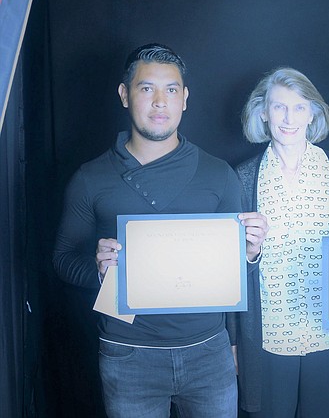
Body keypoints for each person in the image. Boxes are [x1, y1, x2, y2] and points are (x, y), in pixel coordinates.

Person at [52, 43, 268, 418]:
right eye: (146, 88)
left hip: (208, 352)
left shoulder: (218, 174)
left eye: (171, 90)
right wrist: (98, 271)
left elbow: (237, 272)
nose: (159, 102)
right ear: (124, 95)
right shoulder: (90, 178)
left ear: (184, 98)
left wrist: (250, 253)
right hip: (127, 354)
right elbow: (61, 259)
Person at [232, 67, 329, 417]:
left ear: (313, 113)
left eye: (300, 107)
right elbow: (229, 268)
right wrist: (233, 341)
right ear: (262, 112)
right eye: (278, 107)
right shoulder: (243, 178)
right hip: (268, 339)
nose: (289, 118)